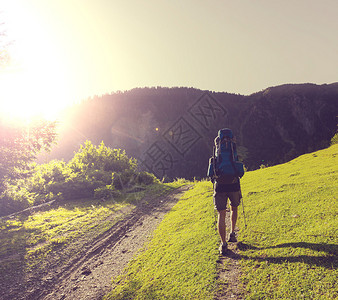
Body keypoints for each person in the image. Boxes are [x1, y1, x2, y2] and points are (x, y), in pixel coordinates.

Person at [212, 131, 242, 256]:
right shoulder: (233, 147)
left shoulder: (217, 146)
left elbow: (211, 172)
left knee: (221, 213)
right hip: (234, 183)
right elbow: (240, 170)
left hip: (220, 185)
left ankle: (223, 244)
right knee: (234, 207)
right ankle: (232, 233)